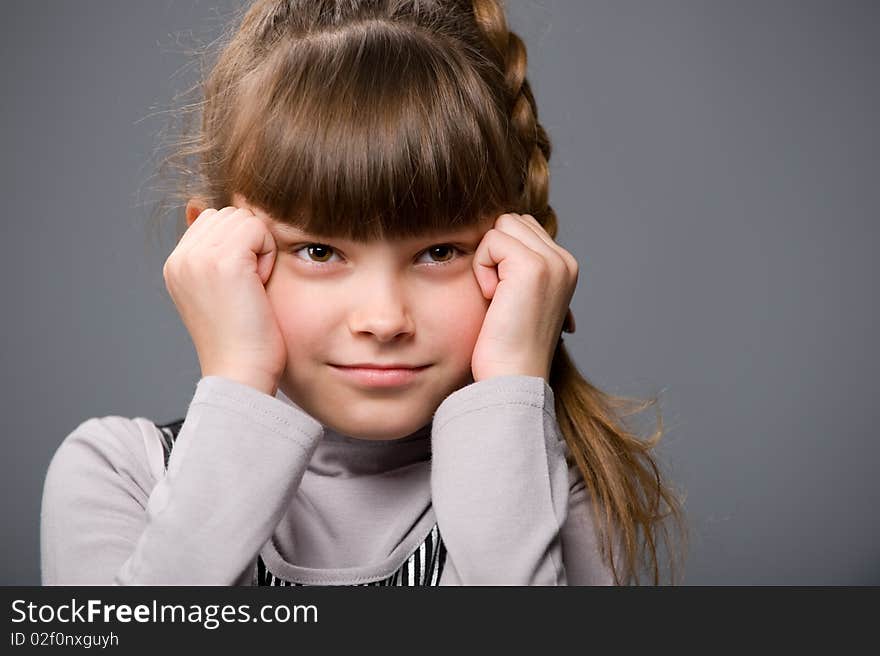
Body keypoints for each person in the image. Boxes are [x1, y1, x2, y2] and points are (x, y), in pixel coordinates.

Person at [40, 0, 687, 586]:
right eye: (319, 251)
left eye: (439, 252)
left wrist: (510, 382)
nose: (383, 319)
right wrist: (238, 380)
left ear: (515, 259)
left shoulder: (552, 489)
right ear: (216, 253)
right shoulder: (120, 473)